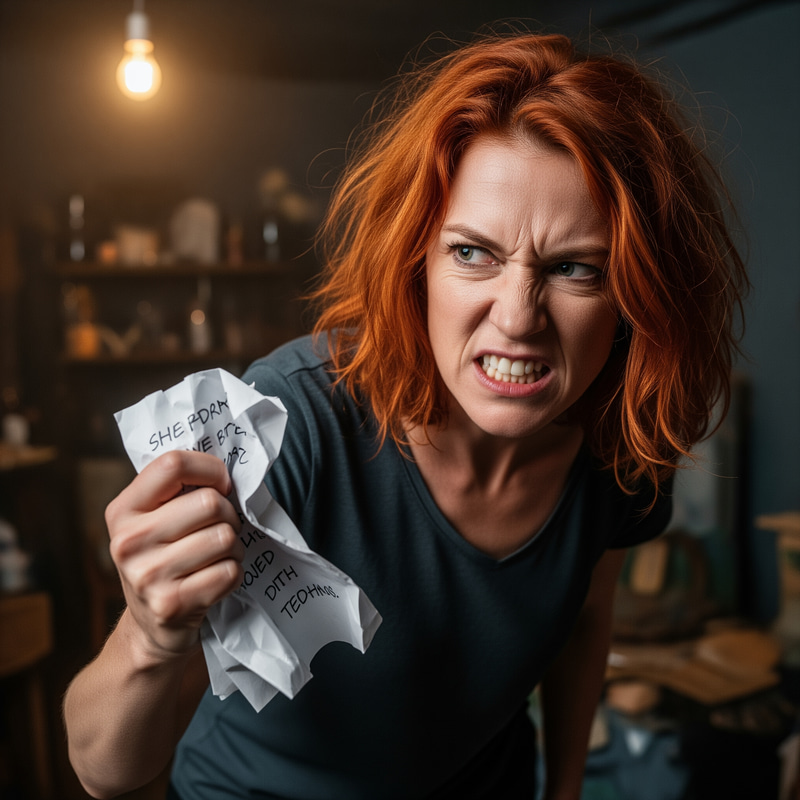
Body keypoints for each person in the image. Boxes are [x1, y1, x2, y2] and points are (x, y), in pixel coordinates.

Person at [64, 30, 748, 800]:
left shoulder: (623, 445)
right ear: (414, 261)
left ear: (635, 295)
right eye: (472, 253)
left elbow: (586, 617)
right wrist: (151, 638)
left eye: (574, 269)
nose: (518, 318)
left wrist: (564, 790)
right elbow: (101, 768)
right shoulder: (296, 424)